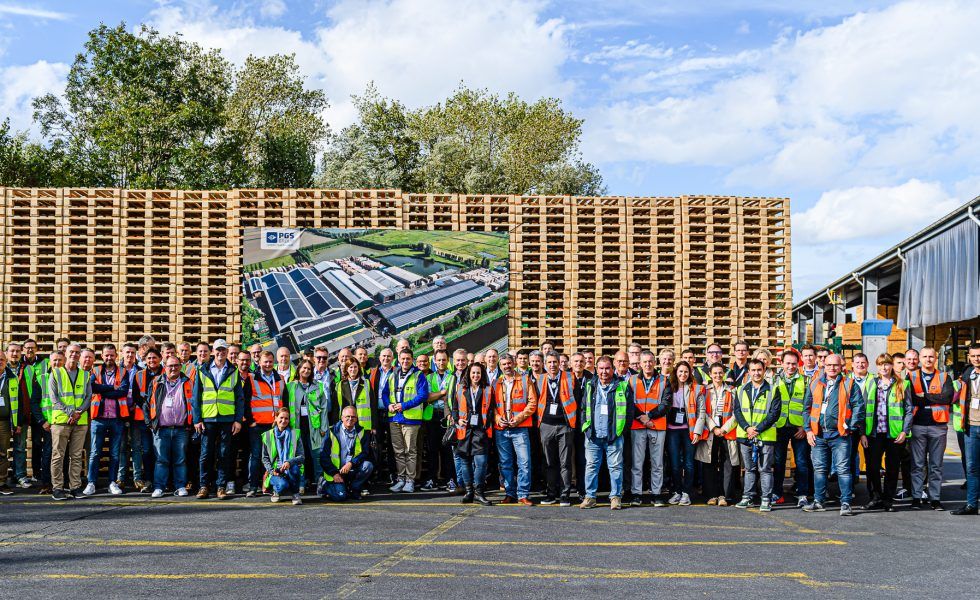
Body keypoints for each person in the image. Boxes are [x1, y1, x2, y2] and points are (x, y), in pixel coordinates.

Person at [803, 353, 865, 516]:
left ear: (841, 367)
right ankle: (818, 501)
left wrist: (850, 427)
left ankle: (845, 503)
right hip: (819, 434)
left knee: (843, 469)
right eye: (829, 365)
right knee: (819, 469)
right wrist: (808, 429)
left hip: (840, 436)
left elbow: (859, 407)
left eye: (835, 365)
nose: (832, 368)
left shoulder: (849, 384)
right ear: (823, 365)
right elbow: (806, 408)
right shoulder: (815, 383)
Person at [192, 339, 244, 500]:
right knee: (206, 454)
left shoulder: (233, 371)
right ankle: (203, 486)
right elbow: (196, 397)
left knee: (224, 454)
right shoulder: (202, 370)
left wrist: (238, 420)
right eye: (218, 350)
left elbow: (239, 398)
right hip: (208, 419)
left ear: (227, 352)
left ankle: (221, 487)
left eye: (223, 350)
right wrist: (197, 419)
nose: (221, 353)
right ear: (213, 352)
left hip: (227, 419)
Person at [580, 356, 634, 510]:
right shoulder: (590, 385)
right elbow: (584, 408)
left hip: (614, 436)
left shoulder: (622, 386)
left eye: (607, 368)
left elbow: (629, 411)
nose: (604, 371)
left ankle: (616, 497)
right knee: (591, 467)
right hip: (593, 436)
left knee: (616, 467)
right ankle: (590, 497)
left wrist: (621, 431)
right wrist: (586, 428)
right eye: (601, 368)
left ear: (613, 369)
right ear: (596, 369)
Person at [860, 354, 912, 512]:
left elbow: (909, 410)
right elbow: (862, 409)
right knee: (872, 468)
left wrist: (905, 431)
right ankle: (875, 497)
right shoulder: (870, 383)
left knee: (892, 468)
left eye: (887, 364)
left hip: (894, 434)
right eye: (881, 364)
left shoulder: (903, 384)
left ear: (892, 366)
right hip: (874, 434)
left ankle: (888, 500)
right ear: (877, 367)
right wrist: (862, 433)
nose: (884, 367)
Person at [907, 346, 954, 510]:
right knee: (917, 465)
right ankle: (916, 497)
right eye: (925, 356)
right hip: (918, 425)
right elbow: (912, 398)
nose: (928, 359)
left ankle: (935, 498)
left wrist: (925, 396)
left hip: (938, 427)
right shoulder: (911, 376)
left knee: (936, 465)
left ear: (936, 359)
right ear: (920, 359)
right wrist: (935, 398)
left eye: (931, 357)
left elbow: (947, 397)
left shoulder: (944, 376)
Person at [733, 359, 783, 512]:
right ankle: (748, 497)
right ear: (748, 372)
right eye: (753, 370)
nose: (756, 373)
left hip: (765, 436)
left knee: (765, 469)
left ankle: (766, 499)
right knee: (749, 468)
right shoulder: (740, 389)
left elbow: (774, 414)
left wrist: (758, 429)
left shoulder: (773, 390)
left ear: (764, 370)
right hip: (745, 435)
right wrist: (748, 428)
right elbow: (737, 411)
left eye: (759, 370)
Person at [83, 344, 130, 496]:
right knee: (95, 452)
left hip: (117, 419)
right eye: (106, 355)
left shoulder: (123, 372)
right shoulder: (95, 370)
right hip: (99, 418)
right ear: (102, 356)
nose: (109, 358)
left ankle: (112, 482)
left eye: (112, 355)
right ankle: (91, 483)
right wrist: (111, 389)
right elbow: (92, 388)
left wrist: (103, 389)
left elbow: (122, 392)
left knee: (115, 453)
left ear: (116, 355)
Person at [47, 344, 93, 500]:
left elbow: (88, 397)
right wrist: (70, 412)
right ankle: (58, 488)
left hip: (80, 422)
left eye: (77, 352)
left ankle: (75, 487)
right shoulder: (56, 373)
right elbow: (54, 398)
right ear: (66, 354)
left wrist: (79, 412)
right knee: (58, 456)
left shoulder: (85, 375)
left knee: (76, 456)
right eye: (71, 352)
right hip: (61, 421)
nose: (74, 354)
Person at [492, 353, 538, 506]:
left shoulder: (525, 380)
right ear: (500, 366)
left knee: (524, 462)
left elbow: (532, 403)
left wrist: (518, 419)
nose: (507, 366)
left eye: (509, 363)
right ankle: (509, 493)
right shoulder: (495, 383)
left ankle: (523, 494)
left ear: (514, 363)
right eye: (503, 364)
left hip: (520, 428)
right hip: (501, 429)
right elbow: (492, 407)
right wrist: (498, 418)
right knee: (505, 463)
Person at [146, 357, 195, 498]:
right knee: (161, 460)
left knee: (180, 459)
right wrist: (150, 423)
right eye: (170, 366)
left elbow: (194, 404)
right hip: (161, 428)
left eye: (176, 365)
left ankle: (180, 486)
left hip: (181, 429)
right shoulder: (156, 382)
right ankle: (159, 487)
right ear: (164, 367)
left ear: (180, 366)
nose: (173, 368)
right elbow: (147, 403)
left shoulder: (188, 382)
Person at [383, 349, 429, 493]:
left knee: (410, 451)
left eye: (408, 359)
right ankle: (400, 479)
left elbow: (423, 396)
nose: (405, 361)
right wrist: (388, 404)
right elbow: (384, 393)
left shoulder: (418, 375)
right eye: (403, 359)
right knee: (398, 452)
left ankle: (410, 481)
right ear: (398, 358)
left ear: (412, 359)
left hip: (411, 420)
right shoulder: (392, 374)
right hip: (394, 418)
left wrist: (404, 405)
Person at [628, 350, 670, 507]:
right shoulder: (631, 381)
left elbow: (666, 404)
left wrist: (650, 417)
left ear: (655, 363)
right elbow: (629, 403)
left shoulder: (664, 381)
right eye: (645, 361)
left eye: (650, 361)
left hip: (657, 426)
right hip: (638, 426)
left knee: (657, 463)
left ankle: (656, 494)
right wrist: (643, 418)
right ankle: (636, 494)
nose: (648, 364)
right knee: (637, 462)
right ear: (640, 363)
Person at [536, 352, 577, 506]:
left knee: (565, 462)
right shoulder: (540, 379)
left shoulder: (570, 377)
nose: (552, 365)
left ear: (560, 363)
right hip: (546, 425)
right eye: (549, 362)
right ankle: (551, 493)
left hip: (565, 426)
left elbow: (577, 399)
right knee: (549, 462)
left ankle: (565, 494)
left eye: (555, 362)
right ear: (545, 364)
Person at [772, 349, 811, 508]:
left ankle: (802, 494)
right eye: (787, 363)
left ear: (798, 364)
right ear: (782, 363)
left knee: (802, 462)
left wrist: (805, 426)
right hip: (779, 427)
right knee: (779, 462)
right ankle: (777, 493)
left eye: (794, 363)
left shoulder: (805, 380)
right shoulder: (774, 380)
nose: (791, 366)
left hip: (798, 428)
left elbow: (809, 405)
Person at [285, 359, 330, 497]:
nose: (306, 371)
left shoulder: (318, 386)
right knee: (299, 456)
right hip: (295, 427)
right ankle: (301, 483)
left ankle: (319, 483)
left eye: (309, 369)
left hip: (314, 427)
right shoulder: (290, 386)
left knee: (317, 455)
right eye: (304, 368)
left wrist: (323, 427)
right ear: (299, 369)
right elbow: (285, 407)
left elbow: (323, 408)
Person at [453, 362, 494, 506]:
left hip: (480, 431)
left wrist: (486, 424)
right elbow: (455, 408)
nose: (476, 376)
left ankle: (479, 492)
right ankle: (469, 492)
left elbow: (492, 409)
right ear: (468, 374)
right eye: (473, 373)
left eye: (478, 373)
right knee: (465, 462)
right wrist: (458, 420)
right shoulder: (460, 388)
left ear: (482, 374)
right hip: (465, 430)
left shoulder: (488, 389)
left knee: (481, 462)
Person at [247, 351, 286, 497]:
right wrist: (250, 421)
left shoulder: (280, 379)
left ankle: (270, 485)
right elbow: (245, 401)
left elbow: (285, 402)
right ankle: (253, 486)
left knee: (275, 458)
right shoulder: (252, 378)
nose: (268, 364)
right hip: (258, 425)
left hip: (275, 425)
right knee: (256, 456)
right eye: (265, 362)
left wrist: (283, 422)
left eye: (270, 361)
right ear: (259, 362)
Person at [699, 362, 739, 505]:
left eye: (720, 372)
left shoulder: (732, 391)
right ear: (710, 374)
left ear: (724, 374)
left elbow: (736, 413)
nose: (718, 375)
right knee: (709, 462)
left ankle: (724, 496)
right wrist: (714, 427)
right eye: (715, 373)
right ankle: (711, 495)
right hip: (711, 431)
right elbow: (702, 411)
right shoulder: (705, 391)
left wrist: (724, 428)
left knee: (727, 463)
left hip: (727, 432)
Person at [666, 361, 705, 506]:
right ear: (676, 372)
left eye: (686, 372)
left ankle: (686, 493)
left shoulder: (696, 389)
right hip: (672, 431)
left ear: (690, 373)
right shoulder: (669, 386)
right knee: (675, 463)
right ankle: (677, 491)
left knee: (689, 463)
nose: (683, 374)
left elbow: (702, 412)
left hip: (689, 430)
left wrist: (697, 431)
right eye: (680, 371)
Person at [320, 405, 373, 502]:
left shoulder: (361, 432)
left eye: (353, 417)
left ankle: (354, 489)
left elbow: (365, 453)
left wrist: (351, 463)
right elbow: (323, 457)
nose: (350, 419)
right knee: (340, 497)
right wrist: (334, 473)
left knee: (368, 465)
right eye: (347, 416)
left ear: (356, 419)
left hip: (351, 468)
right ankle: (324, 486)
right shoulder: (331, 431)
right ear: (342, 418)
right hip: (336, 471)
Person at [130, 348, 164, 492]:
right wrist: (147, 410)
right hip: (143, 421)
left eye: (154, 358)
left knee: (161, 452)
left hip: (162, 420)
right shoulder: (139, 375)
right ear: (145, 360)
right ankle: (150, 480)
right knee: (147, 451)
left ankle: (163, 480)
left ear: (160, 358)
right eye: (149, 358)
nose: (151, 360)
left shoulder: (166, 373)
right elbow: (136, 396)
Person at [31, 350, 64, 495]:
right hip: (48, 424)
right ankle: (46, 483)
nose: (57, 363)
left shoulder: (68, 376)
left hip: (64, 422)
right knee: (48, 454)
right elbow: (34, 402)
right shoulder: (41, 378)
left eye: (59, 360)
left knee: (64, 454)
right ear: (49, 362)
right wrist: (42, 421)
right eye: (54, 360)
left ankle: (63, 483)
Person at [952, 343, 980, 515]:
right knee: (972, 467)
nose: (977, 358)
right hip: (971, 427)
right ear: (969, 357)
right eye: (974, 355)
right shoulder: (968, 374)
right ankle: (971, 504)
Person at [423, 349, 456, 492]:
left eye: (444, 359)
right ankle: (432, 479)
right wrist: (442, 393)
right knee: (432, 449)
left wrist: (435, 395)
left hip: (447, 416)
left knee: (447, 450)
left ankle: (450, 479)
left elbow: (452, 397)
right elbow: (427, 397)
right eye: (438, 360)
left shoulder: (452, 377)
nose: (441, 362)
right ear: (434, 361)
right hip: (432, 416)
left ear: (448, 361)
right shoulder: (429, 378)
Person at [21, 339, 51, 492]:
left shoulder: (45, 362)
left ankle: (44, 474)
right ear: (23, 350)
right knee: (35, 443)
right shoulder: (20, 364)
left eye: (32, 348)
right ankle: (36, 472)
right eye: (27, 348)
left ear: (37, 349)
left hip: (42, 410)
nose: (30, 351)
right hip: (28, 408)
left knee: (46, 444)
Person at [262, 407, 305, 505]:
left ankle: (295, 494)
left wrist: (289, 462)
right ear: (276, 418)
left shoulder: (295, 434)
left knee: (294, 468)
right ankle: (276, 491)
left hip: (290, 468)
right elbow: (265, 458)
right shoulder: (267, 435)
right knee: (282, 485)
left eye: (286, 418)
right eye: (281, 418)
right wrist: (272, 471)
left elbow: (301, 457)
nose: (283, 421)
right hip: (275, 471)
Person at [368, 348, 397, 484]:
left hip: (392, 413)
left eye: (389, 356)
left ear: (393, 358)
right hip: (377, 414)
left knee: (392, 445)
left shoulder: (396, 372)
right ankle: (377, 472)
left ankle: (392, 473)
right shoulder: (373, 373)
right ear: (380, 358)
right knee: (377, 445)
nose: (386, 359)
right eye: (384, 356)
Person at [0, 352, 23, 495]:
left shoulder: (12, 378)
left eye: (1, 359)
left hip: (4, 422)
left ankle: (1, 483)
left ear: (5, 361)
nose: (0, 362)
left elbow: (18, 402)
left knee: (2, 453)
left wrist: (18, 423)